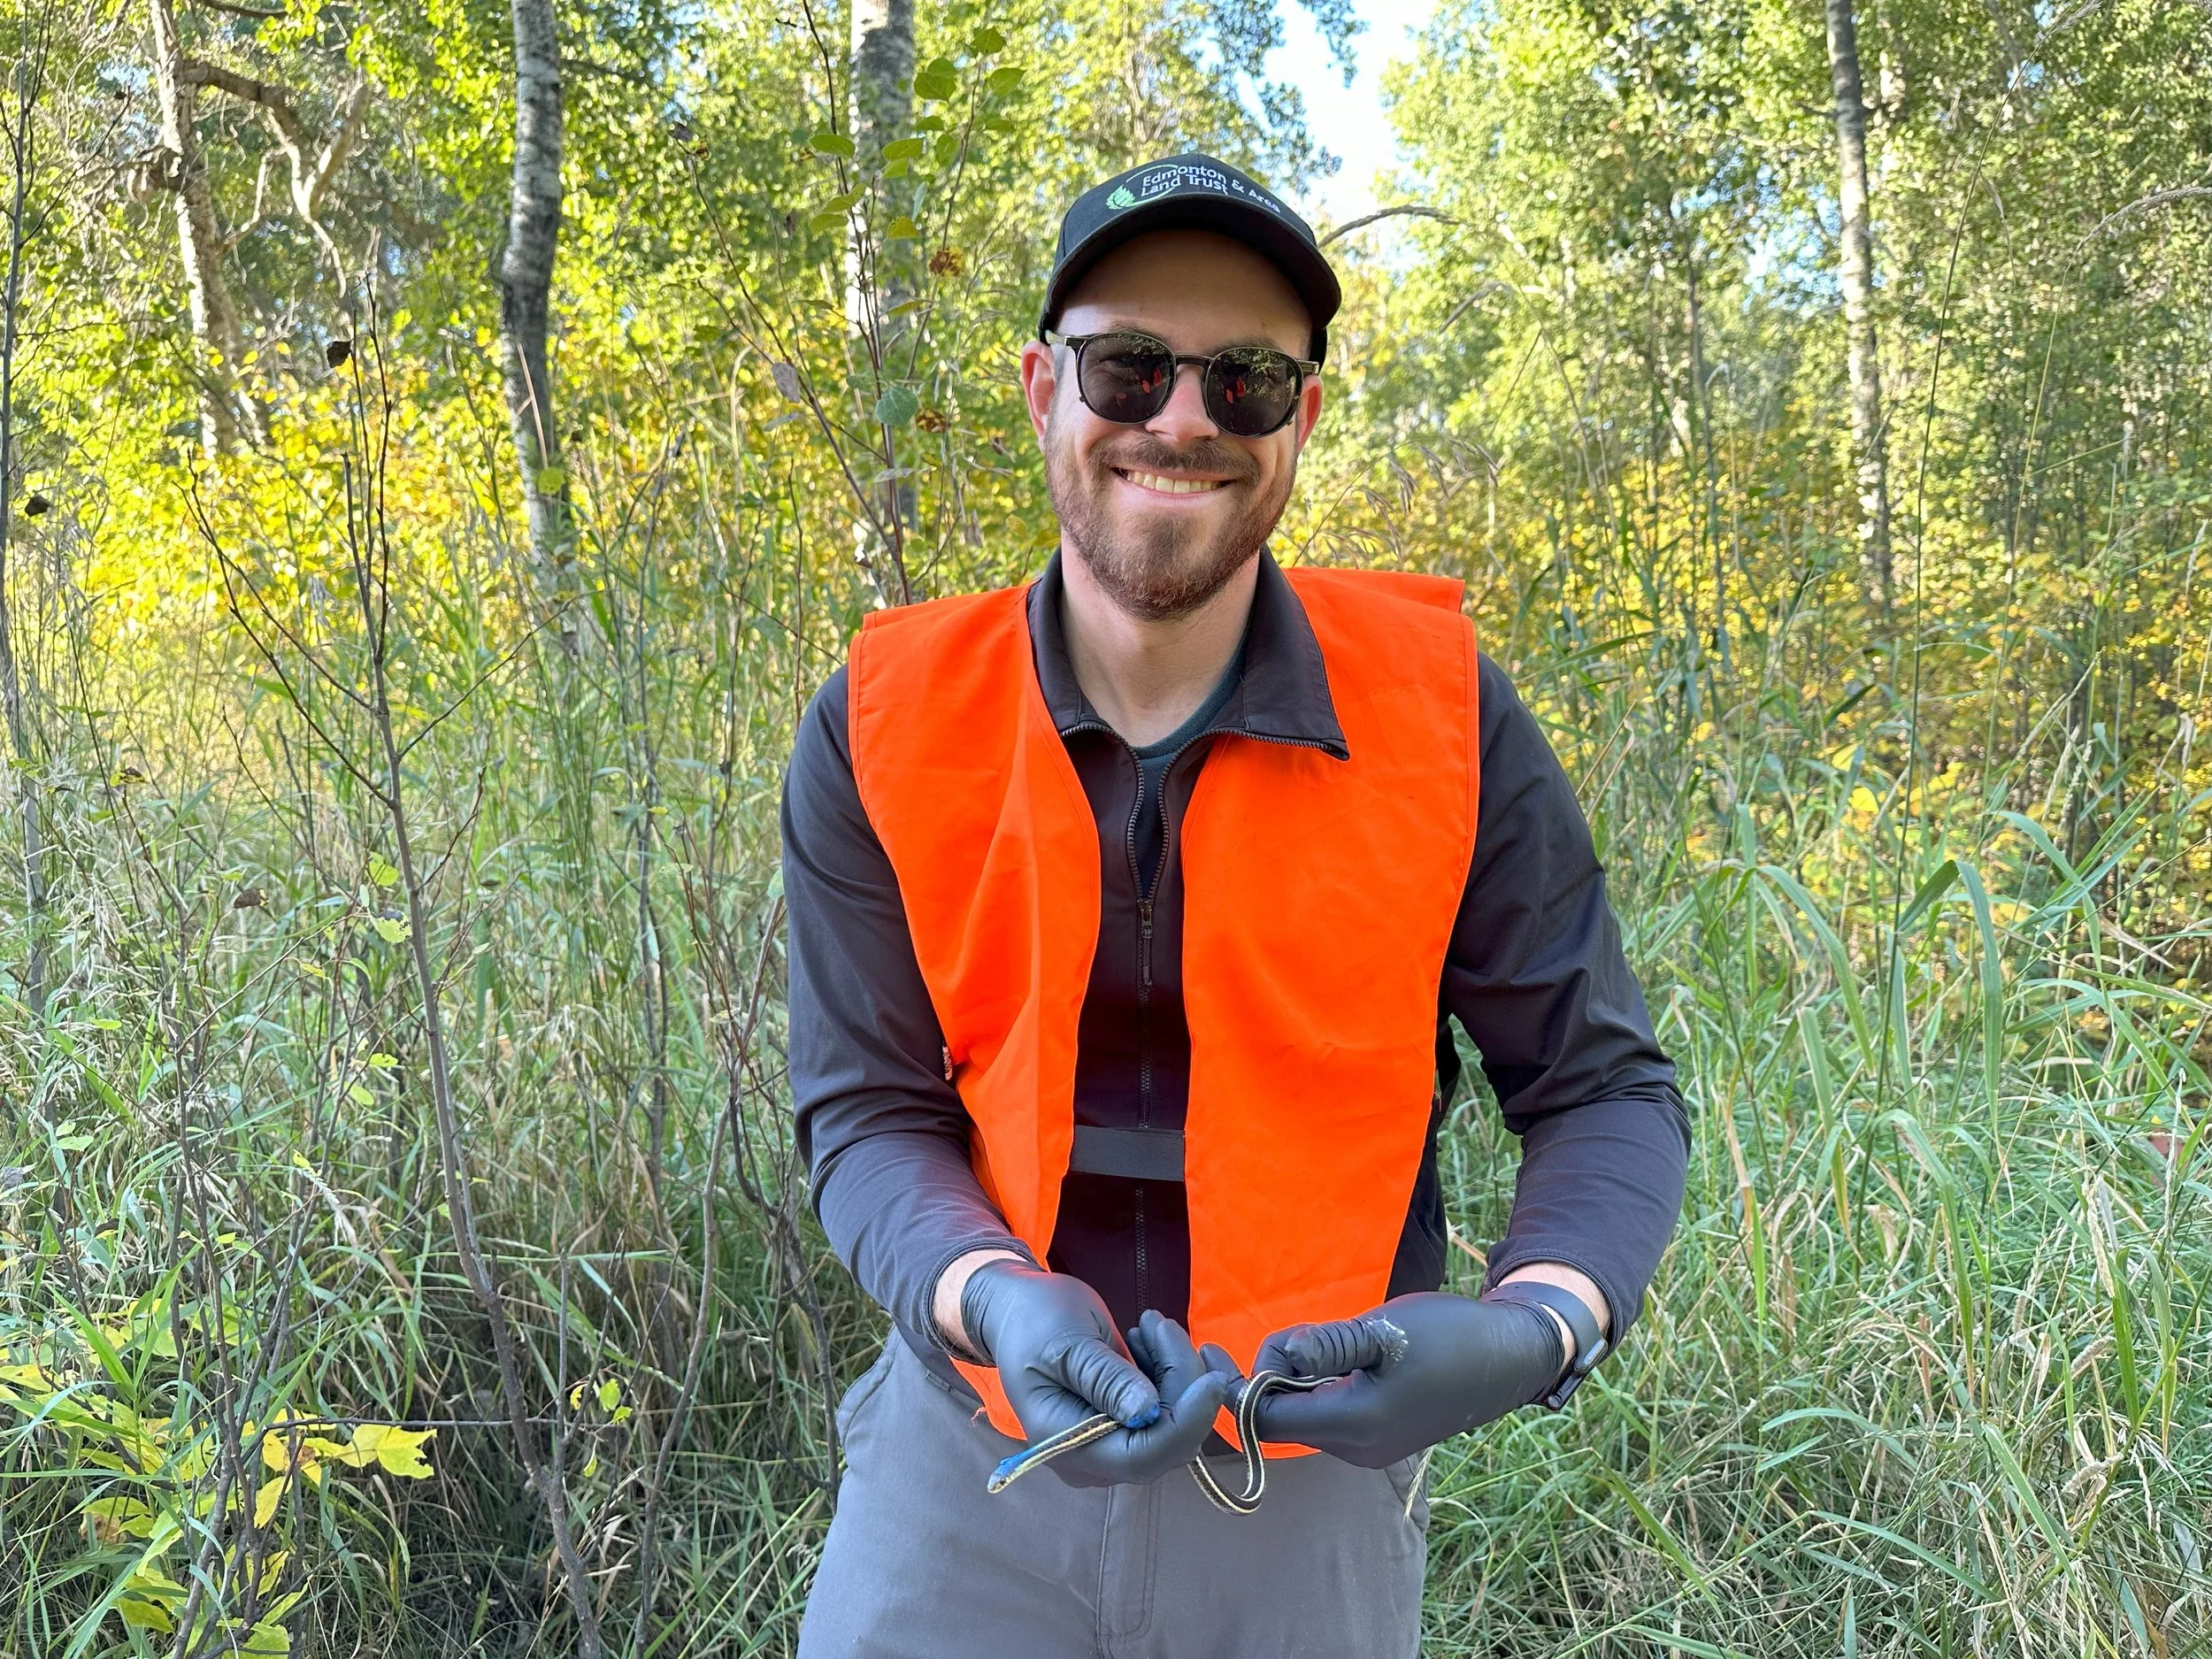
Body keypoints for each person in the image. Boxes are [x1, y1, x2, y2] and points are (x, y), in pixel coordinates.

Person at [782, 152, 1689, 1657]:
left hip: (1309, 1466)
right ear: (1042, 390)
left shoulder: (1444, 717)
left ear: (1303, 421)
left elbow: (1603, 1088)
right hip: (973, 1450)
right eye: (1129, 367)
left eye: (1249, 379)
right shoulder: (884, 719)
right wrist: (990, 1293)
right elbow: (869, 1110)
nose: (1183, 418)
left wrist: (1542, 1318)